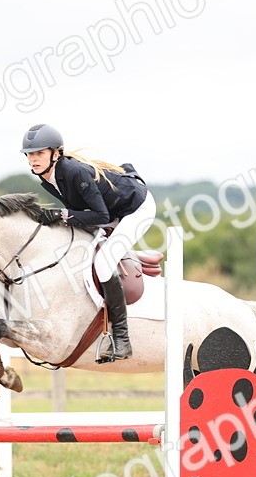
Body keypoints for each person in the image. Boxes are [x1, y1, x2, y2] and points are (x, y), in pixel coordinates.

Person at [21, 123, 156, 362]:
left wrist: (61, 215)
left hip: (137, 208)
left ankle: (122, 339)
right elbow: (82, 211)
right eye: (30, 154)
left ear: (56, 153)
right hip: (113, 210)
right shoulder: (49, 177)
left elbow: (101, 217)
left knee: (104, 263)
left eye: (39, 153)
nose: (33, 159)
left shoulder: (74, 172)